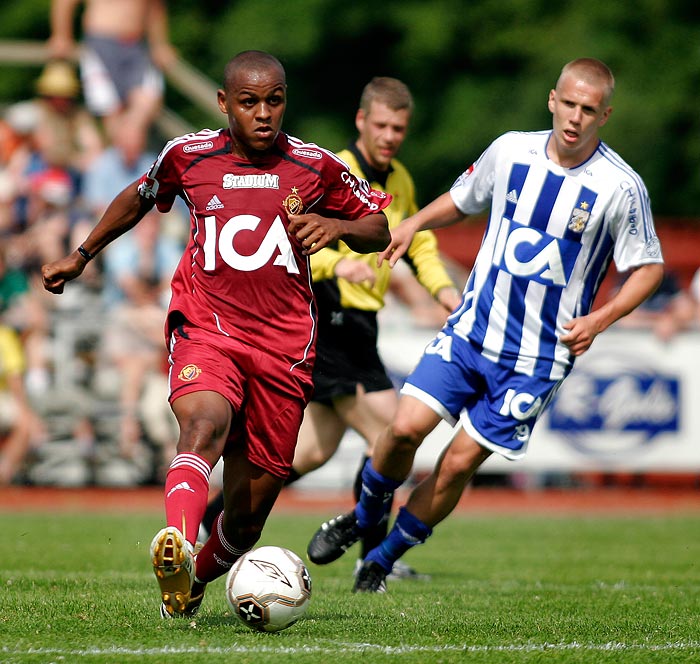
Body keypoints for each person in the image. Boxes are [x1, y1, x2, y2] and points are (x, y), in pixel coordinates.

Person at [41, 50, 391, 617]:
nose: (263, 113)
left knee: (246, 518)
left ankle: (193, 580)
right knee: (204, 422)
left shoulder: (315, 166)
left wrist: (339, 225)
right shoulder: (190, 155)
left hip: (286, 350)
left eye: (274, 100)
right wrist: (82, 255)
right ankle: (176, 542)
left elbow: (378, 226)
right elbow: (140, 194)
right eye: (249, 102)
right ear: (225, 103)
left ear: (285, 102)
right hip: (209, 328)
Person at [307, 57, 665, 593]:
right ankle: (362, 517)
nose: (574, 118)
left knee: (454, 467)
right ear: (552, 99)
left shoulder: (620, 187)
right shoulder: (511, 150)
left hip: (538, 360)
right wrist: (414, 224)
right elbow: (462, 199)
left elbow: (649, 266)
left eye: (588, 110)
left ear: (605, 115)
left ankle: (379, 560)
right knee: (402, 428)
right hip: (471, 331)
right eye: (568, 104)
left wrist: (602, 317)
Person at [199, 77, 461, 580]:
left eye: (399, 128)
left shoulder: (399, 180)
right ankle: (373, 560)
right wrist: (335, 266)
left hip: (361, 325)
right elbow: (278, 239)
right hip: (327, 317)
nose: (389, 136)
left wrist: (446, 295)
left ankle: (214, 518)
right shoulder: (323, 169)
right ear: (361, 121)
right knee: (391, 433)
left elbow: (417, 244)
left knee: (312, 452)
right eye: (381, 125)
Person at [47, 0, 177, 148]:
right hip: (100, 42)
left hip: (136, 44)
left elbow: (155, 8)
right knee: (110, 109)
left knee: (148, 98)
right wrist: (61, 35)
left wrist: (159, 44)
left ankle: (129, 153)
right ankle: (125, 158)